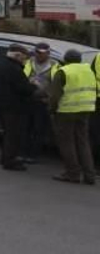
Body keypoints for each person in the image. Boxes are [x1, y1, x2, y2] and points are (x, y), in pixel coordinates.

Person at [47, 49, 96, 184]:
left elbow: (55, 95)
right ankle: (89, 175)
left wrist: (51, 109)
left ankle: (72, 173)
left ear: (65, 59)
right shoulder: (88, 71)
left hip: (66, 111)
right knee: (83, 142)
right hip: (86, 109)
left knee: (67, 142)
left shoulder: (63, 71)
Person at [0, 44, 39, 171]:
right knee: (14, 135)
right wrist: (33, 85)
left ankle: (5, 157)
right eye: (24, 57)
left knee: (8, 133)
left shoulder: (1, 65)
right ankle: (10, 161)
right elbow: (24, 89)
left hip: (2, 104)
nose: (25, 60)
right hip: (14, 107)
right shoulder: (15, 69)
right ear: (17, 56)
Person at [23, 43, 59, 160]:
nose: (39, 55)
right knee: (26, 128)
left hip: (42, 101)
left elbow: (55, 84)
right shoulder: (30, 62)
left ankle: (33, 155)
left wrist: (49, 98)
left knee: (39, 129)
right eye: (37, 52)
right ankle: (24, 152)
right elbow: (23, 77)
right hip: (28, 99)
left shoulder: (54, 65)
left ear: (48, 54)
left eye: (42, 53)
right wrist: (30, 82)